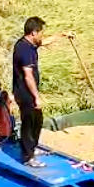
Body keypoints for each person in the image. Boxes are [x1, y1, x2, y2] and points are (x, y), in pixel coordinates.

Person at [12, 17, 72, 167]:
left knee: (37, 119)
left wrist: (62, 35)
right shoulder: (24, 50)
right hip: (25, 93)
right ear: (34, 33)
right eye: (41, 33)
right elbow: (28, 76)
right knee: (29, 122)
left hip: (29, 92)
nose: (42, 36)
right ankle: (28, 157)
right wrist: (36, 97)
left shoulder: (30, 43)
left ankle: (32, 148)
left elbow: (44, 42)